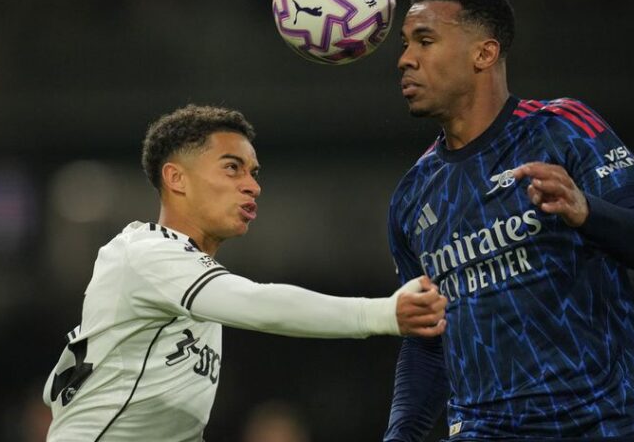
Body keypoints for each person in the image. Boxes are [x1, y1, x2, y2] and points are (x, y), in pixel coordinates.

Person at [384, 0, 634, 442]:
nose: (404, 59)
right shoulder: (412, 196)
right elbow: (426, 342)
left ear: (484, 53)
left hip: (609, 423)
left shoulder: (561, 129)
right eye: (405, 44)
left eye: (425, 40)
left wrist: (586, 211)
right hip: (485, 430)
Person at [42, 105, 447, 441]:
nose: (252, 186)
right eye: (232, 168)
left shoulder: (187, 278)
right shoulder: (147, 252)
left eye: (254, 173)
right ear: (176, 178)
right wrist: (381, 314)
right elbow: (260, 302)